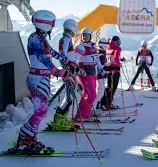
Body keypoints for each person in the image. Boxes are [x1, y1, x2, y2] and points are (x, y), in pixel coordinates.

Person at [15, 10, 74, 153]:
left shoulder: (41, 38)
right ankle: (24, 138)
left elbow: (51, 52)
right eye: (52, 24)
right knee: (40, 111)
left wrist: (65, 60)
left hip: (43, 78)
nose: (53, 27)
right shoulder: (34, 38)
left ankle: (30, 137)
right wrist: (58, 71)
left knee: (41, 110)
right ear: (46, 24)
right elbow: (43, 58)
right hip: (37, 79)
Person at [51, 19, 78, 131]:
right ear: (72, 28)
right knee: (69, 98)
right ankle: (59, 120)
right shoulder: (66, 39)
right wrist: (70, 65)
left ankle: (61, 118)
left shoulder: (65, 39)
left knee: (69, 96)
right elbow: (63, 55)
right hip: (68, 71)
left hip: (69, 70)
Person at [74, 27, 100, 119]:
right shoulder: (80, 47)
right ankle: (84, 115)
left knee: (86, 94)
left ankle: (81, 113)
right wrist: (79, 69)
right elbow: (73, 60)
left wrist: (100, 68)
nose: (85, 37)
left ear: (90, 36)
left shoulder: (92, 46)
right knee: (92, 96)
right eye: (83, 35)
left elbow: (96, 59)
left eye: (87, 35)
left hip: (92, 73)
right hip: (84, 74)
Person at [99, 36, 122, 110]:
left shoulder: (108, 47)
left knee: (109, 87)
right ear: (117, 41)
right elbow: (115, 58)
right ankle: (108, 104)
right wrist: (118, 64)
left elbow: (109, 58)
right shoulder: (117, 48)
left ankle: (103, 102)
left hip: (108, 70)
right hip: (115, 70)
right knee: (113, 88)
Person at [93, 38, 109, 111]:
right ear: (103, 45)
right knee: (100, 92)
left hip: (101, 76)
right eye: (106, 45)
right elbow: (101, 67)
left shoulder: (100, 53)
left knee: (99, 92)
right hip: (101, 76)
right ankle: (92, 108)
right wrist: (110, 67)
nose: (107, 47)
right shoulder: (101, 55)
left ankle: (95, 106)